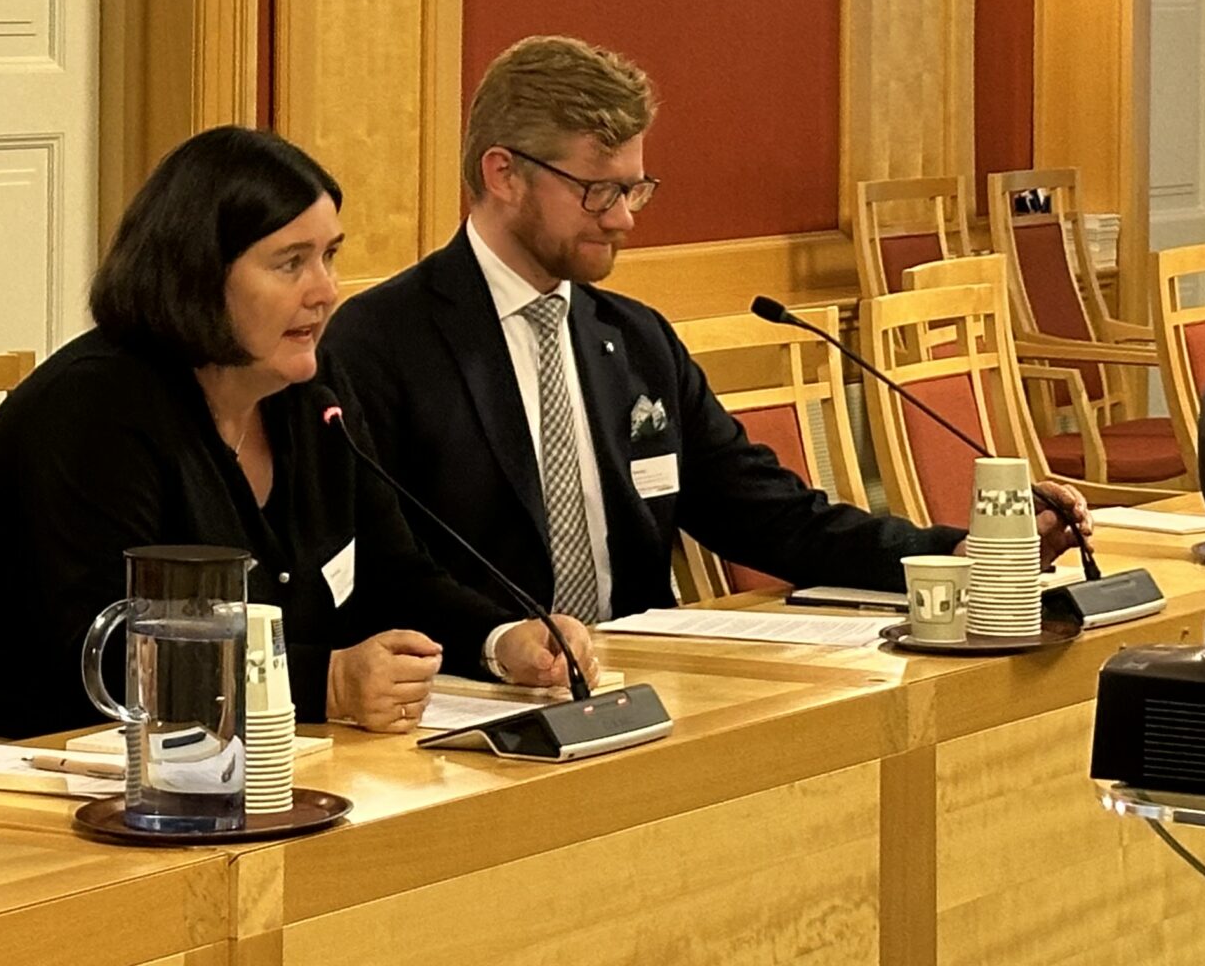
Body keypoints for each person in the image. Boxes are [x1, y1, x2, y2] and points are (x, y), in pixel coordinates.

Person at [322, 35, 1091, 659]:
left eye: (636, 188)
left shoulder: (635, 338)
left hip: (643, 685)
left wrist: (954, 554)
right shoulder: (383, 344)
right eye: (599, 190)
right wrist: (498, 642)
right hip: (470, 701)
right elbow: (385, 569)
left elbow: (767, 514)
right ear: (504, 174)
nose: (624, 218)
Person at [0, 126, 593, 743]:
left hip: (249, 768)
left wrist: (505, 640)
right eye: (290, 263)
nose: (324, 290)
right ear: (198, 275)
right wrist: (321, 684)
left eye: (329, 256)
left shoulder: (309, 397)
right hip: (35, 775)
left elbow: (395, 574)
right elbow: (111, 653)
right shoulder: (91, 414)